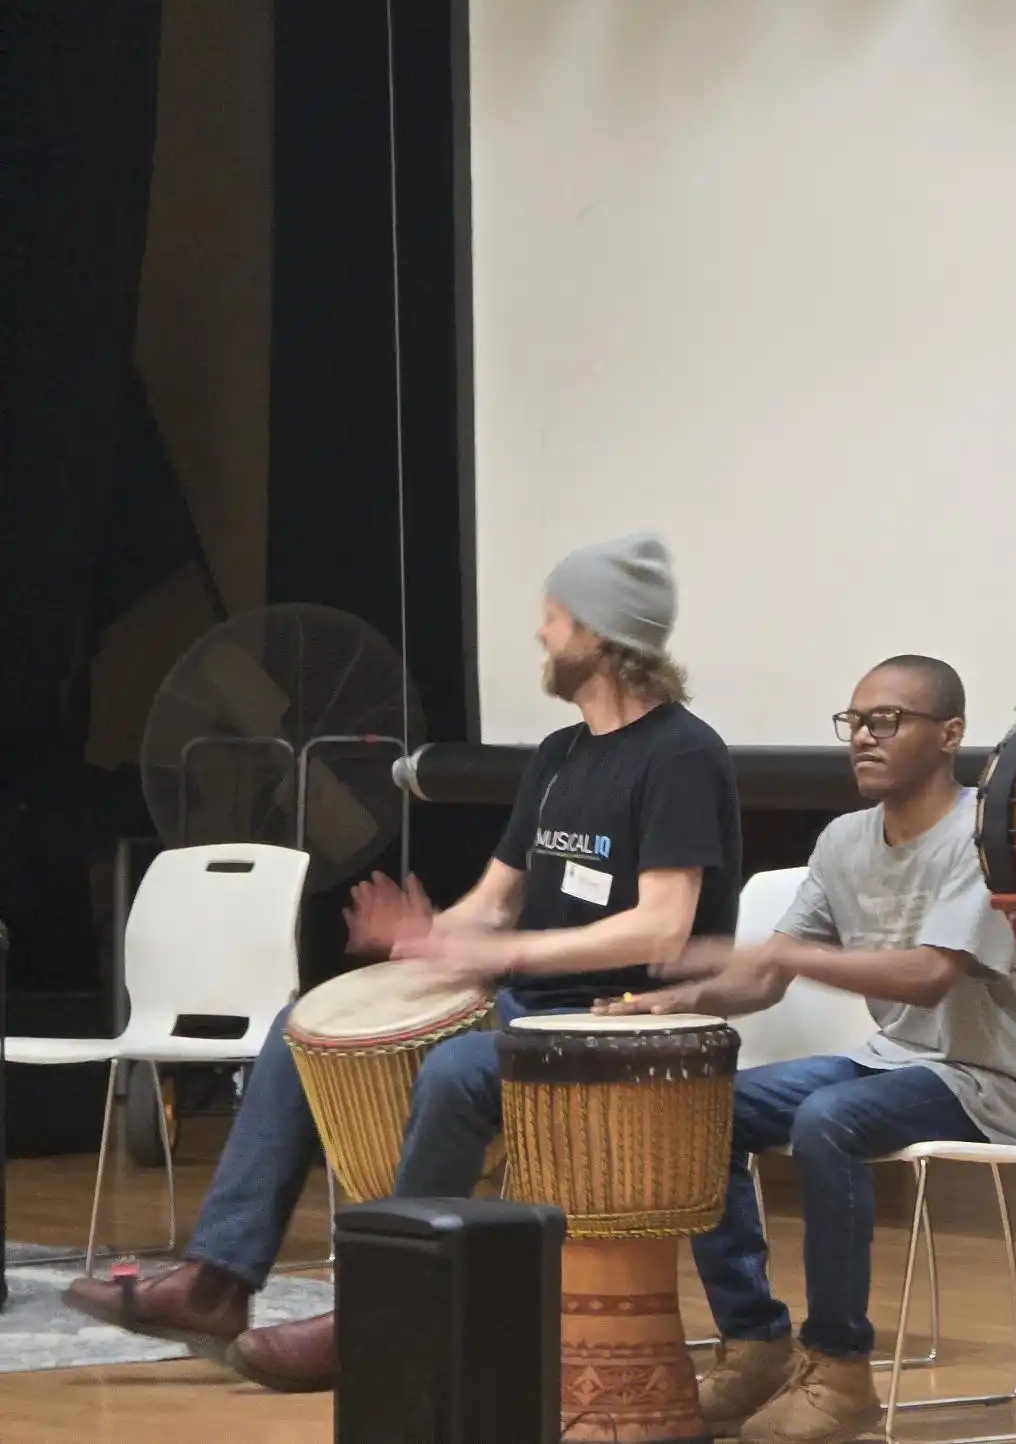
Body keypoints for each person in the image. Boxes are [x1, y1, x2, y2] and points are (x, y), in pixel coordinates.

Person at [65, 532, 743, 1392]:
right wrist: (433, 942)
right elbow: (496, 898)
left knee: (458, 1071)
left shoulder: (682, 755)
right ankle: (217, 1279)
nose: (540, 637)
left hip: (630, 1023)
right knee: (296, 1028)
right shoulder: (561, 756)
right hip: (531, 1011)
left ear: (602, 636)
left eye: (554, 619)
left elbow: (663, 928)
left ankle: (381, 1313)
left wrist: (509, 951)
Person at [597, 655, 1016, 1444]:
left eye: (887, 721)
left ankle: (841, 1367)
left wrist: (787, 960)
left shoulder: (984, 834)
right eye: (855, 723)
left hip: (995, 1082)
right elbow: (766, 979)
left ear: (949, 734)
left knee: (829, 1120)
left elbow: (925, 977)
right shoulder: (845, 839)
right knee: (703, 1104)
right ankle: (754, 1344)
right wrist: (678, 999)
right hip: (900, 1061)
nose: (864, 739)